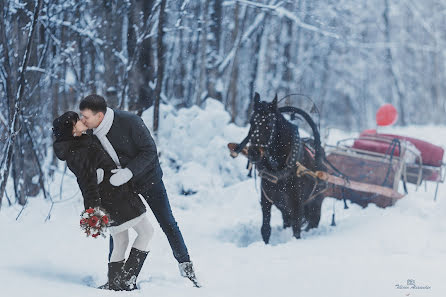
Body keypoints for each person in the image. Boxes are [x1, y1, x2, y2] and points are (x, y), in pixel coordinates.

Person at [78, 94, 200, 287]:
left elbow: (150, 151)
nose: (82, 120)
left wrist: (129, 172)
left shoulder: (130, 122)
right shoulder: (91, 134)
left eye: (85, 117)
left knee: (167, 222)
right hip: (120, 187)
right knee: (117, 228)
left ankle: (187, 270)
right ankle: (115, 281)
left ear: (99, 116)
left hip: (149, 180)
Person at [52, 111, 154, 291]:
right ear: (72, 131)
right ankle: (127, 280)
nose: (82, 121)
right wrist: (93, 211)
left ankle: (116, 283)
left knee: (121, 240)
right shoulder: (78, 152)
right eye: (78, 121)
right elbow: (87, 184)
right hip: (115, 198)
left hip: (116, 195)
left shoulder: (80, 143)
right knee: (146, 232)